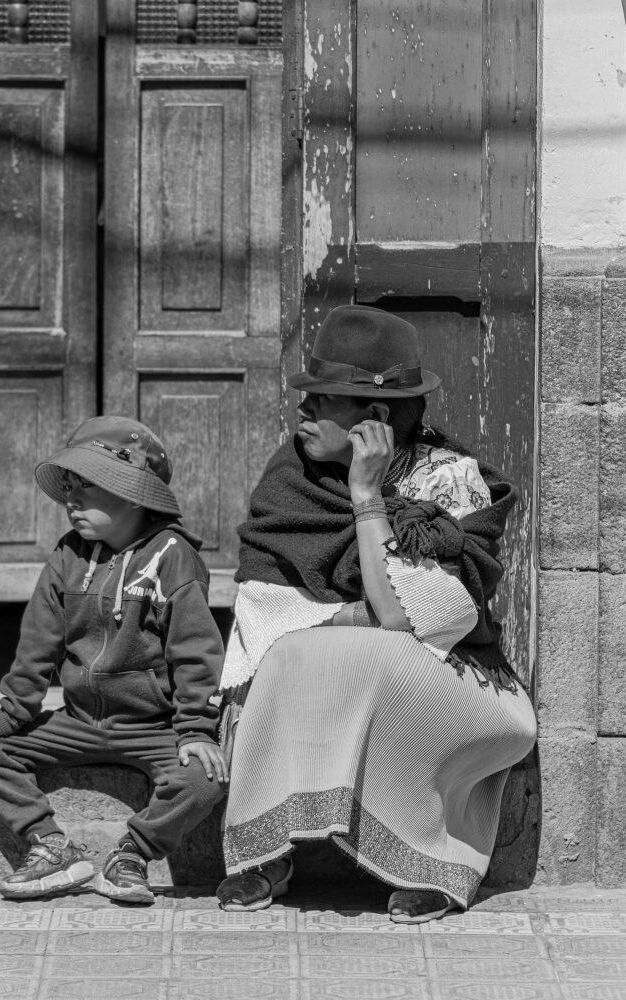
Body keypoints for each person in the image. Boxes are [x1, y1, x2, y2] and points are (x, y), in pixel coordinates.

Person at [215, 304, 538, 923]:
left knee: (378, 655)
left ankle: (429, 860)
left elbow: (404, 621)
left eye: (322, 401)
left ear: (376, 418)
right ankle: (265, 851)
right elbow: (263, 613)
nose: (302, 413)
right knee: (292, 653)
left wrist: (367, 498)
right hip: (339, 670)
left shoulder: (447, 482)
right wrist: (340, 621)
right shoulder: (292, 477)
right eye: (305, 399)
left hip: (460, 686)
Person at [0, 415, 228, 905]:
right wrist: (12, 712)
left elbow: (196, 651)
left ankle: (132, 854)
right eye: (68, 488)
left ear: (132, 494)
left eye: (88, 488)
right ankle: (51, 847)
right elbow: (38, 642)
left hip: (155, 726)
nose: (71, 501)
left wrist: (194, 728)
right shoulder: (69, 555)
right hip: (80, 720)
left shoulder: (172, 557)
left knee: (204, 778)